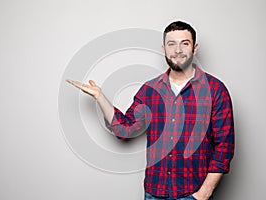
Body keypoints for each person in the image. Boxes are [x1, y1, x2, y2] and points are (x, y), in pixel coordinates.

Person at [67, 21, 235, 200]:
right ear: (164, 49)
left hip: (193, 193)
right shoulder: (150, 90)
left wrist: (203, 194)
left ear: (194, 48)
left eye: (184, 43)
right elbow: (125, 130)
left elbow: (224, 146)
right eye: (172, 44)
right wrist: (100, 97)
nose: (177, 50)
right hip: (155, 192)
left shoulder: (215, 90)